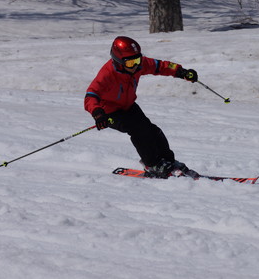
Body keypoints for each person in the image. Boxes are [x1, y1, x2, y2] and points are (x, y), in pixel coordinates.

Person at [84, 36, 198, 178]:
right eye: (131, 62)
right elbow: (91, 95)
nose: (136, 66)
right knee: (139, 131)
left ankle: (168, 161)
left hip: (128, 106)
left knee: (153, 131)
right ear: (119, 61)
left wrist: (181, 72)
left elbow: (160, 66)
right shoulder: (107, 74)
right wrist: (97, 112)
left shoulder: (138, 65)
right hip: (109, 112)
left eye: (137, 60)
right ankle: (152, 164)